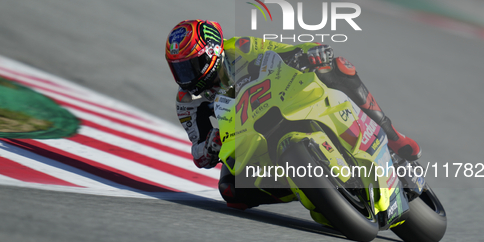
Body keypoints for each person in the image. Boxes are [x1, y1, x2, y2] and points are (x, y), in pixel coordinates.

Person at [165, 19, 421, 209]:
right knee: (230, 191)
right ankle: (309, 187)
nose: (186, 77)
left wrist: (310, 53)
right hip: (246, 143)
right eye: (179, 70)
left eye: (190, 66)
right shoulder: (187, 102)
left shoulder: (240, 48)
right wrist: (209, 146)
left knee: (337, 66)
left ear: (211, 53)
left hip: (278, 103)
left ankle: (392, 136)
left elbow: (284, 51)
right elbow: (198, 152)